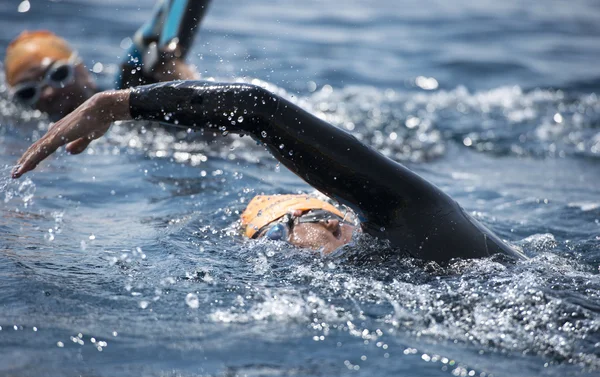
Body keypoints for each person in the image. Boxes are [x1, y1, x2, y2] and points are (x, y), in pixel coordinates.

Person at [11, 81, 526, 263]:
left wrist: (116, 104)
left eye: (291, 224)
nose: (292, 241)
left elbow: (254, 107)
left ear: (332, 218)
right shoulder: (394, 252)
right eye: (274, 240)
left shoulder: (416, 216)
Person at [3, 0, 211, 120]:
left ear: (80, 68)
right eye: (27, 93)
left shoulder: (132, 86)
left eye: (58, 74)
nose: (48, 93)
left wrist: (169, 56)